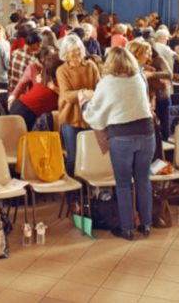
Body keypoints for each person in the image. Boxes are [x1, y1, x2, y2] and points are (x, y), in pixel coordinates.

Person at [82, 47, 156, 240]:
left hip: (121, 136)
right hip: (147, 133)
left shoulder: (107, 82)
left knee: (123, 184)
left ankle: (127, 229)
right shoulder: (139, 78)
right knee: (143, 180)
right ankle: (146, 225)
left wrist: (84, 102)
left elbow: (94, 112)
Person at [57, 34, 100, 182]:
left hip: (90, 117)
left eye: (78, 50)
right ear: (65, 53)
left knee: (90, 156)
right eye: (72, 51)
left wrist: (94, 94)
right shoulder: (62, 70)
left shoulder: (91, 66)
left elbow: (99, 87)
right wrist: (84, 93)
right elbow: (67, 95)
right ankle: (73, 197)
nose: (76, 54)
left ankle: (89, 194)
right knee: (73, 157)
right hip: (70, 117)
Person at [9, 53, 61, 130]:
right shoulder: (55, 83)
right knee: (25, 140)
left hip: (21, 107)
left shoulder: (45, 79)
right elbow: (66, 96)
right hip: (26, 112)